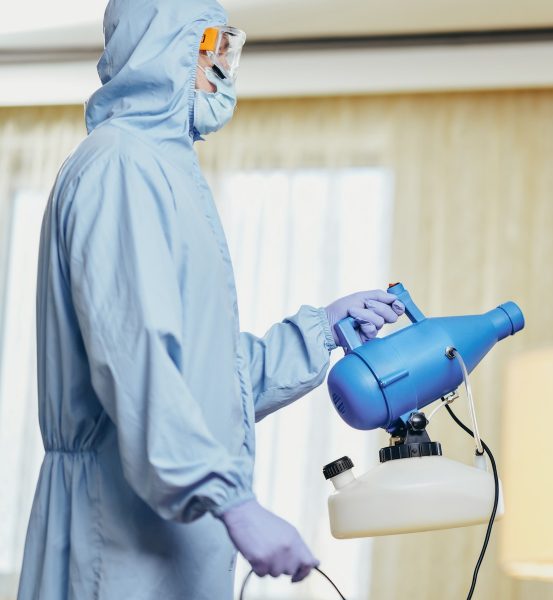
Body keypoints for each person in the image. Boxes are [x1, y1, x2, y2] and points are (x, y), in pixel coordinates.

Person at [16, 0, 404, 598]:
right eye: (215, 50)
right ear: (168, 48)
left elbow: (202, 378)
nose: (226, 69)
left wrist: (320, 331)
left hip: (167, 540)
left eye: (231, 50)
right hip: (116, 540)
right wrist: (234, 504)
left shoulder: (165, 171)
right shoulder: (120, 164)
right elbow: (136, 360)